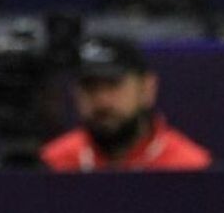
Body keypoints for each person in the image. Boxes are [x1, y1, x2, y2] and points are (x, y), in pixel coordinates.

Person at [40, 35, 211, 172]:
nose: (102, 100)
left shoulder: (189, 168)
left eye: (114, 84)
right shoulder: (53, 165)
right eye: (90, 87)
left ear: (147, 89)